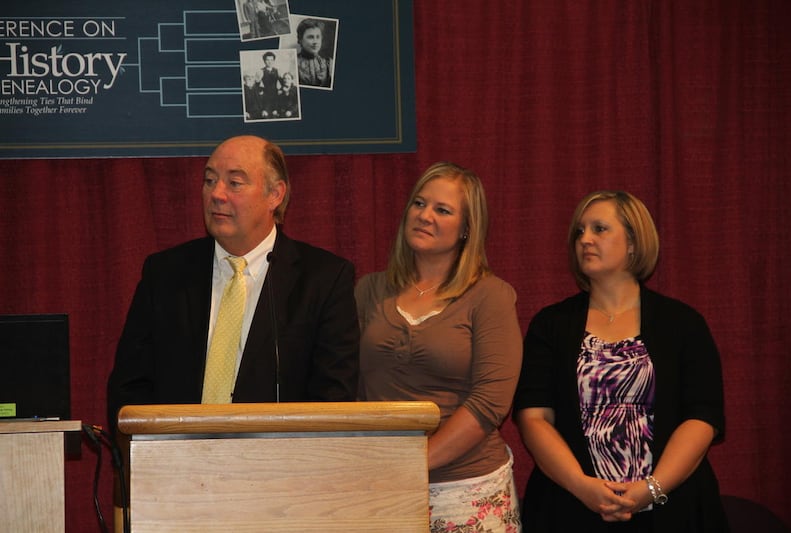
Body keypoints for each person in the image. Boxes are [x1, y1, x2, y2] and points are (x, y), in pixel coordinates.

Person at [107, 135, 360, 436]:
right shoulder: (165, 274)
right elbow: (129, 388)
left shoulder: (323, 279)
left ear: (275, 195)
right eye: (210, 180)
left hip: (278, 470)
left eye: (234, 183)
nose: (216, 194)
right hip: (174, 467)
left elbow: (332, 400)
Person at [513, 190, 728, 532]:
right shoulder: (550, 324)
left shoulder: (682, 322)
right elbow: (533, 416)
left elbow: (702, 416)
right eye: (579, 232)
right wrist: (582, 486)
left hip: (672, 511)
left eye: (599, 229)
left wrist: (652, 489)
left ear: (633, 242)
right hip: (570, 508)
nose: (585, 239)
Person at [356, 162, 523, 532]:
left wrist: (415, 462)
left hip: (467, 490)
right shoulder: (368, 291)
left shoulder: (490, 296)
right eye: (418, 204)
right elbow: (349, 389)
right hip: (382, 487)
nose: (424, 216)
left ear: (467, 229)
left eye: (442, 210)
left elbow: (490, 401)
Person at [295, 18, 333, 88]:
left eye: (318, 37)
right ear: (300, 40)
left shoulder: (329, 64)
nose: (315, 42)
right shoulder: (294, 63)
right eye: (310, 37)